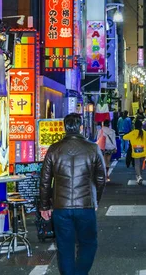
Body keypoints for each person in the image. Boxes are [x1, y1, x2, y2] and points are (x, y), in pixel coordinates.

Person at [40, 113, 106, 275]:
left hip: (61, 206)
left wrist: (44, 205)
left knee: (64, 247)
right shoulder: (92, 148)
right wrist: (95, 200)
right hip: (85, 205)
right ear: (81, 127)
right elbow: (101, 178)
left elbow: (45, 181)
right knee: (89, 243)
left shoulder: (54, 149)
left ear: (64, 127)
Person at [123, 119, 146, 185]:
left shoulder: (133, 132)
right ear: (141, 126)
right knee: (141, 165)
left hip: (135, 151)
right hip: (143, 152)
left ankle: (139, 176)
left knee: (137, 164)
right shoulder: (145, 133)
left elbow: (124, 137)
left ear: (135, 126)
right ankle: (140, 176)